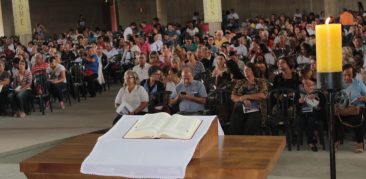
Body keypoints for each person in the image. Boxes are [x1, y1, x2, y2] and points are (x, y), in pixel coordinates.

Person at [229, 63, 268, 135]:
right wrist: (242, 99)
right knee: (235, 122)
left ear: (252, 70)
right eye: (244, 70)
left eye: (247, 70)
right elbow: (233, 96)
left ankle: (247, 142)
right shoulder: (240, 82)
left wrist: (247, 96)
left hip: (257, 108)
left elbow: (263, 95)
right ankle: (236, 142)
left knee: (250, 124)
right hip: (241, 107)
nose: (245, 71)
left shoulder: (261, 81)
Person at [335, 64, 365, 153]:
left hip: (355, 109)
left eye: (349, 75)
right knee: (335, 117)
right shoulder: (338, 84)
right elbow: (334, 98)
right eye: (345, 75)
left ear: (353, 74)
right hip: (342, 109)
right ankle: (336, 141)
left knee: (358, 116)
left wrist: (363, 98)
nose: (347, 77)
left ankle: (359, 143)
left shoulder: (358, 83)